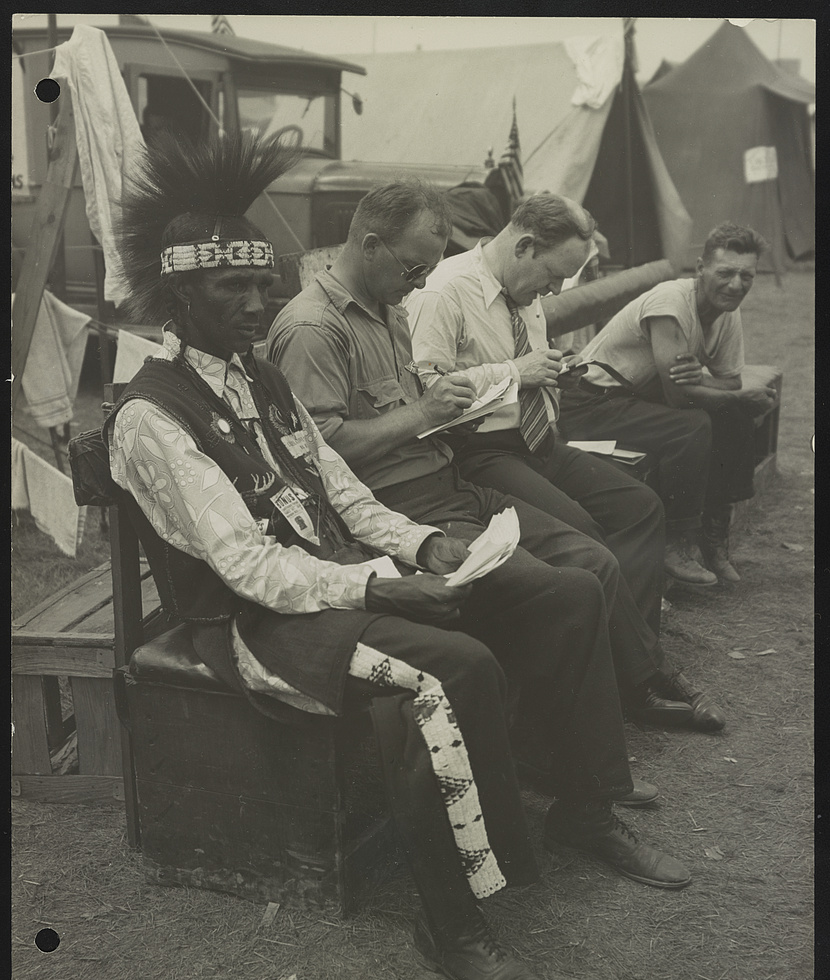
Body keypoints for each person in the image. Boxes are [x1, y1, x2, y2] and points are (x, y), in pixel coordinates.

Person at [108, 132, 690, 980]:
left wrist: (424, 548)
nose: (259, 302)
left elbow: (342, 494)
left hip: (332, 583)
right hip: (254, 626)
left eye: (264, 284)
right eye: (234, 287)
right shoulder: (150, 415)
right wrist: (381, 586)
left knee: (544, 596)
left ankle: (575, 809)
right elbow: (247, 566)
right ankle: (453, 929)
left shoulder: (261, 379)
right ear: (179, 294)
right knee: (449, 670)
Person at [269, 182, 722, 734]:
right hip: (442, 473)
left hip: (459, 471)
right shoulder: (328, 324)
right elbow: (323, 453)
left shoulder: (388, 307)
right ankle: (592, 714)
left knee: (619, 527)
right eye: (413, 270)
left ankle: (631, 680)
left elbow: (419, 402)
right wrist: (453, 401)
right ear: (370, 246)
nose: (418, 284)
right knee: (578, 560)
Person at [403, 191, 725, 732]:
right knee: (583, 532)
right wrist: (514, 374)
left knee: (639, 506)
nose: (553, 292)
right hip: (474, 452)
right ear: (525, 246)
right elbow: (426, 395)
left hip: (535, 439)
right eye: (553, 277)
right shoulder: (443, 292)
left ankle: (626, 665)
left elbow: (531, 370)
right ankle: (643, 679)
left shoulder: (522, 290)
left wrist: (550, 377)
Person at [557, 222, 776, 584]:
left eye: (746, 276)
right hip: (589, 402)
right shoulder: (671, 303)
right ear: (701, 268)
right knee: (691, 425)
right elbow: (679, 396)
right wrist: (731, 394)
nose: (736, 285)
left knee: (731, 417)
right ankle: (675, 539)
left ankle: (714, 538)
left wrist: (706, 382)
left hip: (633, 400)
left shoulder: (726, 309)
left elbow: (729, 378)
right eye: (725, 273)